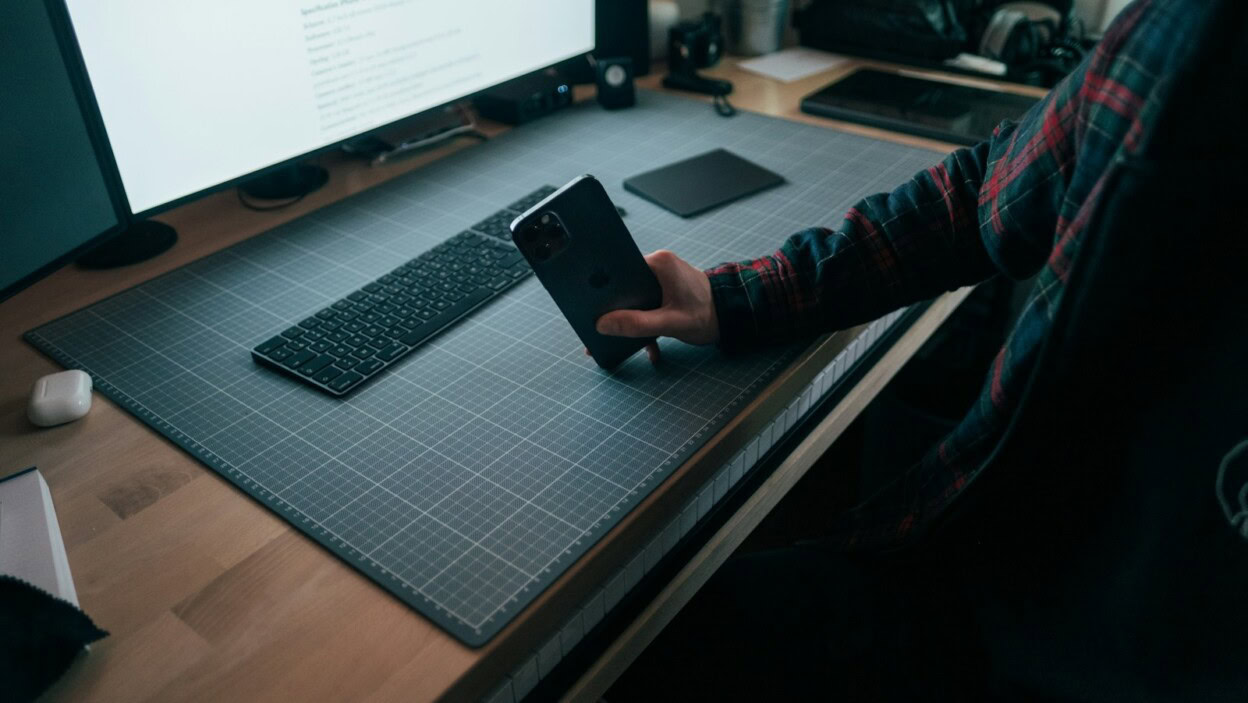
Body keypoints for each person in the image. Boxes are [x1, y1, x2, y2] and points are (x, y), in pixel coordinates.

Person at [599, 0, 1227, 699]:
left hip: (1076, 634)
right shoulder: (1180, 33)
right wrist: (734, 299)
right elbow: (983, 196)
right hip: (985, 556)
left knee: (630, 658)